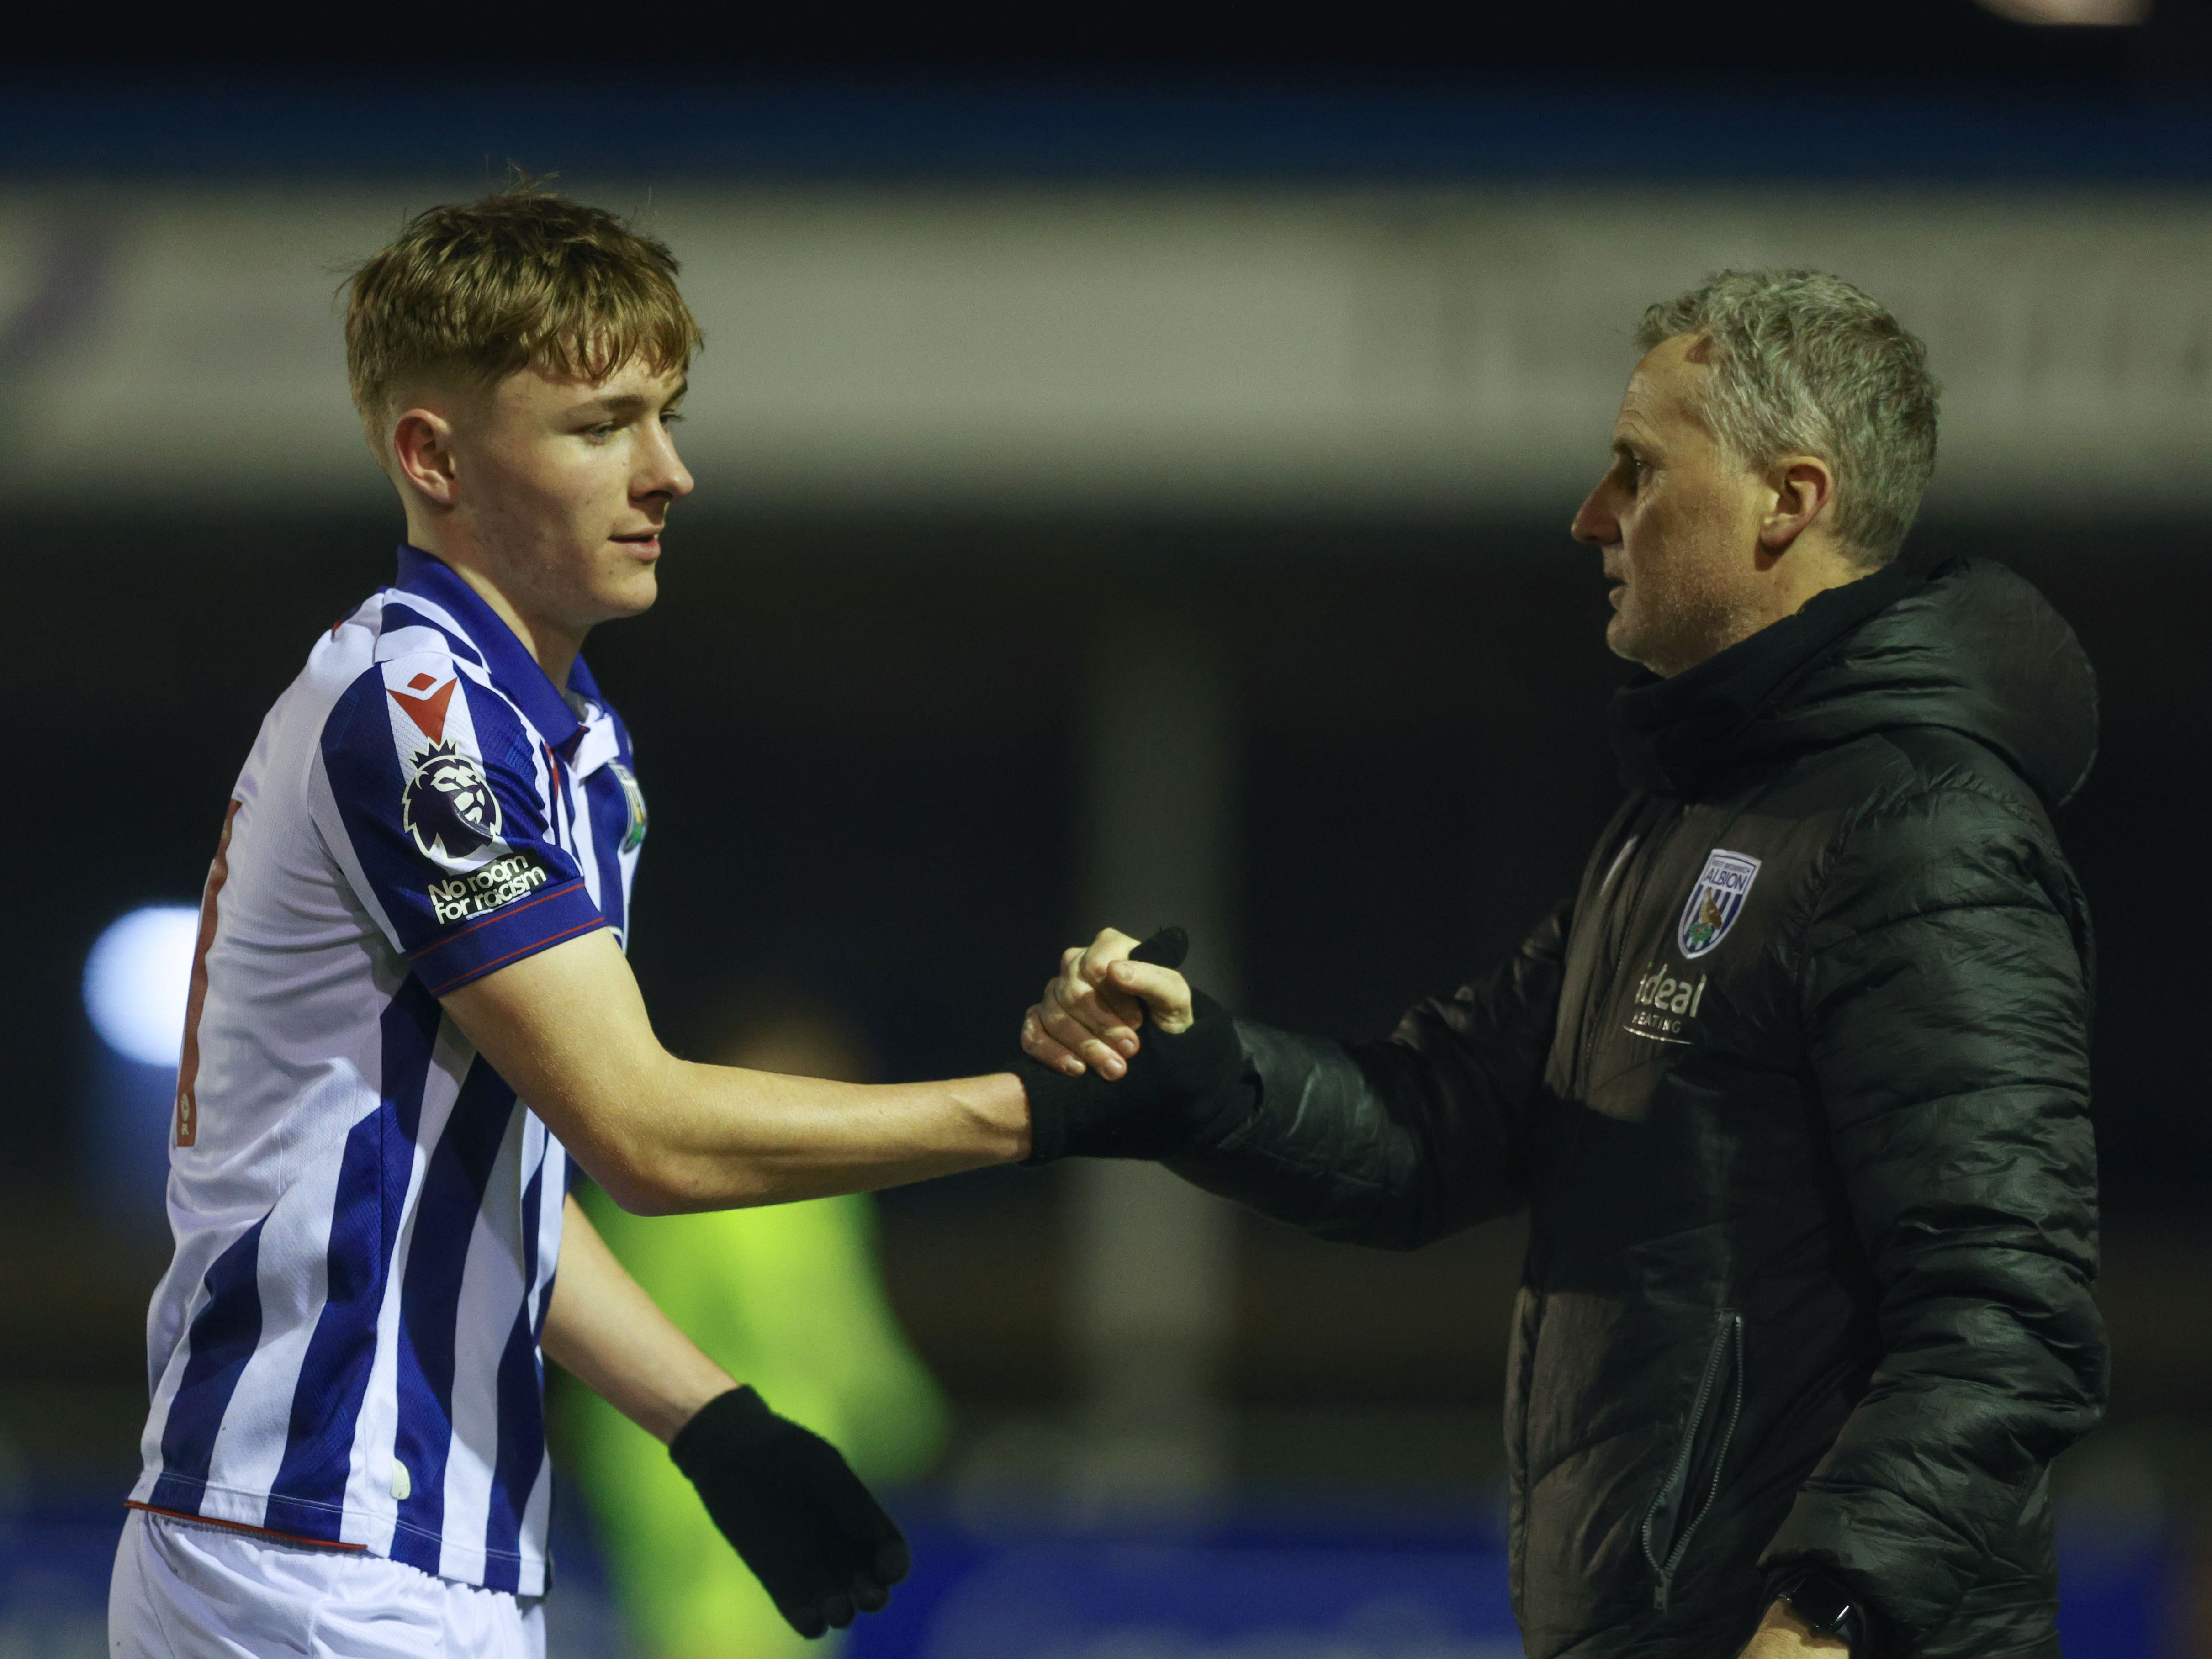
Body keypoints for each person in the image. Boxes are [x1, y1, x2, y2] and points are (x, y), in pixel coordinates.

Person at [1017, 271, 2106, 1658]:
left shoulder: (1924, 834)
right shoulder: (1688, 818)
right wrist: (1195, 1073)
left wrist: (1829, 1611)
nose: (1590, 516)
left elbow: (2009, 1309)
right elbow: (1441, 1121)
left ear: (1789, 501)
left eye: (1637, 471)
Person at [111, 184, 1035, 1659]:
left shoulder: (561, 741)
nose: (668, 472)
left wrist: (712, 1418)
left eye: (665, 415)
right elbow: (643, 1134)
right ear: (434, 454)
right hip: (316, 1545)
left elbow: (498, 1175)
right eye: (601, 424)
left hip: (403, 1549)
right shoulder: (420, 710)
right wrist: (1040, 1113)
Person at [573, 988, 950, 1659]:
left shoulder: (642, 1171)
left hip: (651, 1456)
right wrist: (908, 1424)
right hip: (759, 1453)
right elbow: (811, 1323)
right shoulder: (775, 1189)